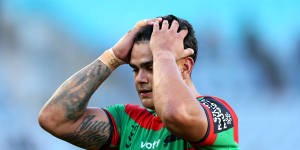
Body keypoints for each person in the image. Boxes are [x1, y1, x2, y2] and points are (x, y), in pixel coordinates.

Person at [38, 15, 239, 150]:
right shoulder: (128, 122)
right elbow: (54, 119)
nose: (140, 79)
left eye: (152, 67)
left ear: (185, 67)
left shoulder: (217, 113)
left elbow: (174, 114)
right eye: (135, 69)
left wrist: (163, 53)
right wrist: (113, 57)